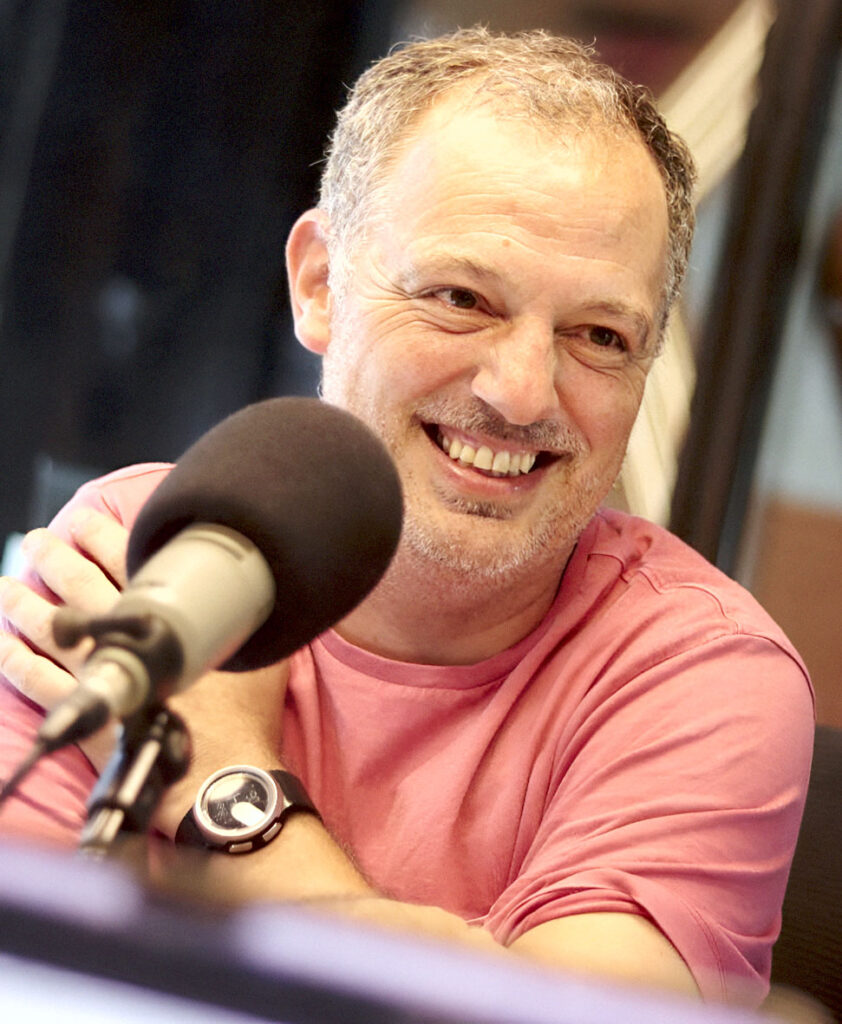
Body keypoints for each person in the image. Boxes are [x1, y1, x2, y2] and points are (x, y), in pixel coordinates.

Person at [0, 27, 813, 1007]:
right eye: (460, 298)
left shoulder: (699, 674)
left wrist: (231, 793)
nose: (520, 393)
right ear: (317, 284)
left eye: (597, 335)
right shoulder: (153, 550)